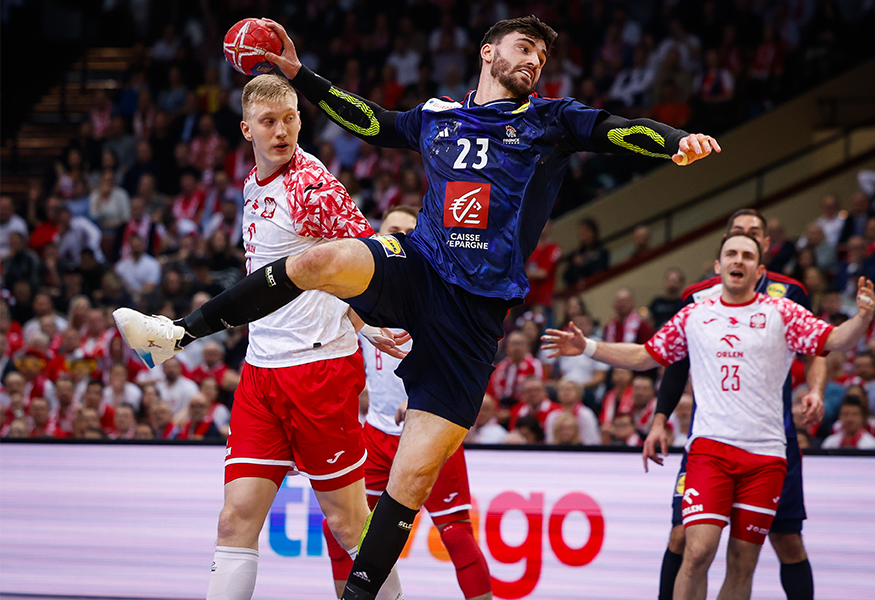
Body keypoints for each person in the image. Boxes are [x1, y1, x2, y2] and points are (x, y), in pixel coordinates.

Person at [114, 16, 719, 600]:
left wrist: (674, 143)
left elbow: (617, 129)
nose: (534, 60)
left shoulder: (549, 120)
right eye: (523, 47)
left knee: (410, 481)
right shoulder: (438, 116)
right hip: (419, 266)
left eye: (541, 55)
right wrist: (300, 76)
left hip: (474, 316)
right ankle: (178, 333)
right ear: (488, 53)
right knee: (318, 260)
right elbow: (372, 122)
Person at [126, 75, 405, 600]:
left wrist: (364, 322)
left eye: (290, 119)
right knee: (234, 521)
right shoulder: (253, 183)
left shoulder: (311, 185)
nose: (282, 131)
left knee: (348, 524)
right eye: (269, 122)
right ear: (246, 129)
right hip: (260, 371)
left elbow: (369, 259)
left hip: (318, 371)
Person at [542, 232, 875, 600]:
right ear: (718, 266)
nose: (738, 260)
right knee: (698, 550)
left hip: (766, 457)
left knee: (742, 562)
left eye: (747, 255)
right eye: (731, 254)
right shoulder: (695, 314)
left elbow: (835, 340)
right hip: (710, 451)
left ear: (759, 271)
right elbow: (644, 355)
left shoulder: (782, 312)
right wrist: (587, 346)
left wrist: (862, 318)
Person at [642, 208, 829, 600]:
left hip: (771, 439)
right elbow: (675, 361)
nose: (745, 240)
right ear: (723, 250)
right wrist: (659, 419)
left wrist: (815, 389)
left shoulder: (789, 294)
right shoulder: (696, 299)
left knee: (786, 540)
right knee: (683, 537)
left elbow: (818, 347)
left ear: (764, 247)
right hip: (710, 439)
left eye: (754, 234)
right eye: (737, 234)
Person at [325, 205, 492, 600]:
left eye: (407, 231)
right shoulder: (357, 297)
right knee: (343, 531)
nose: (398, 237)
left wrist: (421, 399)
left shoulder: (440, 294)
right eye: (391, 229)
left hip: (431, 427)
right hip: (377, 435)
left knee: (455, 533)